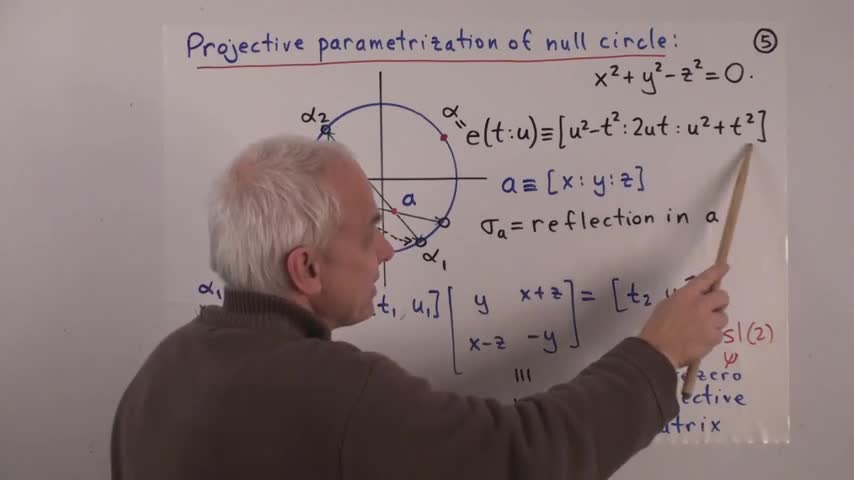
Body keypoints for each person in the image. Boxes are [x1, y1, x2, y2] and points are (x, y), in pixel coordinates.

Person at [111, 133, 730, 479]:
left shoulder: (162, 371)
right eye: (368, 234)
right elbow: (526, 458)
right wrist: (657, 355)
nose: (386, 249)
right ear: (307, 269)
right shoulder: (333, 390)